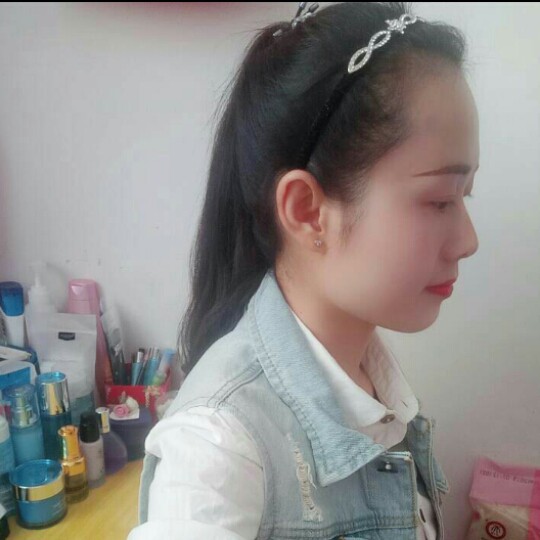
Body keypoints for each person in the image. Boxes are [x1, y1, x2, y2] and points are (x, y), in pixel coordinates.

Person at [128, 2, 479, 539]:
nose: (468, 241)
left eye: (465, 195)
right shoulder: (218, 450)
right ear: (307, 210)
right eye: (438, 200)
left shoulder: (374, 386)